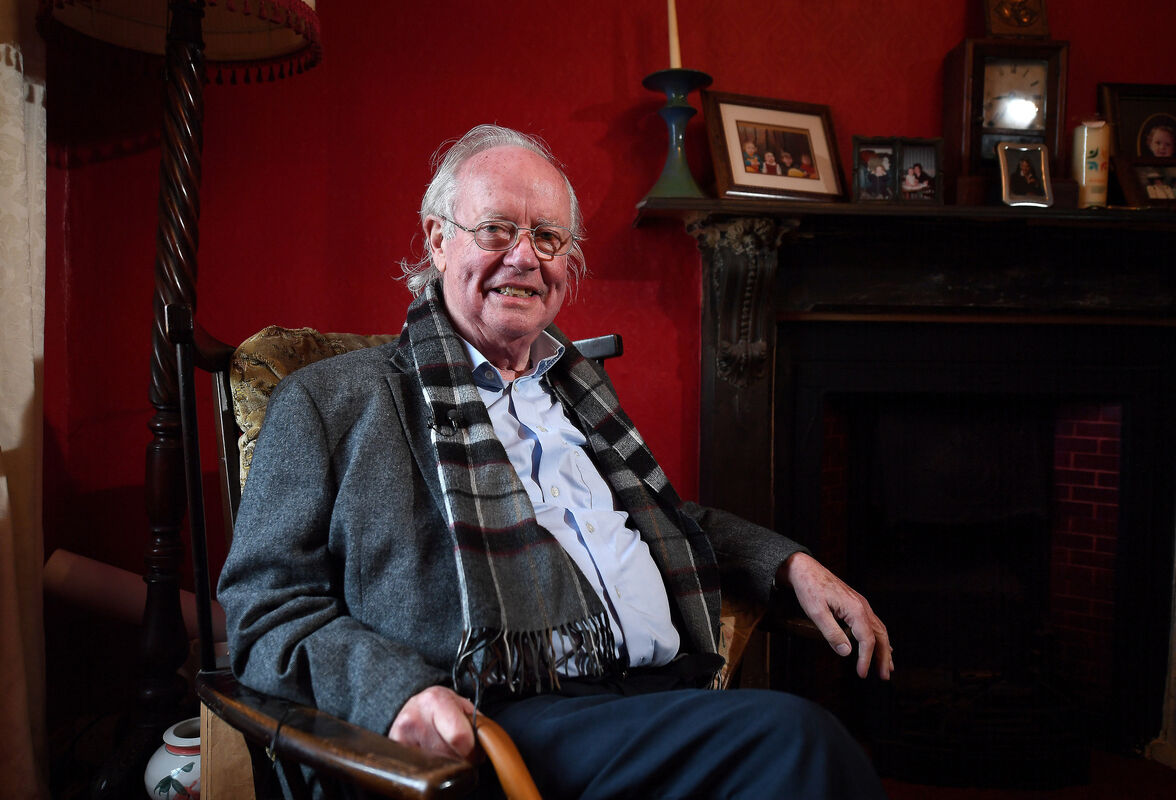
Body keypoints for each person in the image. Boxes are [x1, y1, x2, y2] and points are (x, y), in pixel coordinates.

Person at [218, 124, 892, 799]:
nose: (524, 258)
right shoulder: (334, 401)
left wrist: (788, 564)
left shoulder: (577, 392)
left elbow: (665, 521)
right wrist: (398, 694)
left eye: (548, 237)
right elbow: (266, 611)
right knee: (799, 743)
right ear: (436, 238)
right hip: (500, 731)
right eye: (495, 230)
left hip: (661, 699)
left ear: (569, 261)